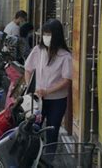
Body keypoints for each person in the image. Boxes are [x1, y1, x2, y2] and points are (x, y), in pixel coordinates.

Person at [24, 19, 72, 154]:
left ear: (56, 35)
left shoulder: (65, 56)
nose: (46, 37)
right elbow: (28, 69)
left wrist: (48, 91)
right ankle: (31, 156)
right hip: (37, 99)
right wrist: (30, 88)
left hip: (57, 100)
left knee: (52, 129)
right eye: (44, 34)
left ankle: (49, 157)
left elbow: (66, 80)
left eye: (49, 34)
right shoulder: (38, 50)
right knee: (33, 127)